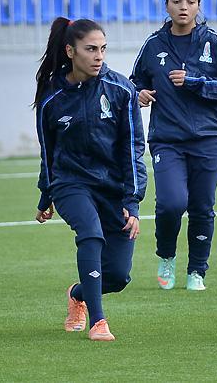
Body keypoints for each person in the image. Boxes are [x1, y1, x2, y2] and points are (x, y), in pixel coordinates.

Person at [34, 17, 147, 341]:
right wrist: (46, 196)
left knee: (118, 276)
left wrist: (131, 203)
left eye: (103, 49)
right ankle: (99, 322)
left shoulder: (121, 90)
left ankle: (78, 294)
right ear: (71, 51)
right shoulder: (51, 98)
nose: (99, 56)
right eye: (91, 49)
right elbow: (47, 152)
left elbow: (132, 149)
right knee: (90, 233)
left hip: (113, 188)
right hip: (70, 183)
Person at [130, 0, 217, 291]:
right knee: (171, 203)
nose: (183, 7)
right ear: (167, 5)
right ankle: (166, 256)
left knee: (202, 206)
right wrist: (139, 93)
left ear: (198, 6)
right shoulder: (153, 45)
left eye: (190, 1)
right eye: (177, 1)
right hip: (167, 139)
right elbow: (135, 81)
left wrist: (195, 82)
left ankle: (197, 271)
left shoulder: (213, 43)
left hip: (209, 137)